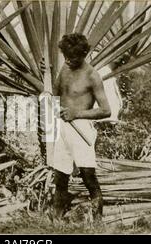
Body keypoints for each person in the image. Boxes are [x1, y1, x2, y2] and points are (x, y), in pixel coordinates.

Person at [51, 33, 111, 221]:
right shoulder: (65, 67)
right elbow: (56, 93)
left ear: (84, 54)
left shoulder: (93, 76)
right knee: (60, 175)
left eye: (73, 57)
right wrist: (47, 74)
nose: (68, 60)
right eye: (66, 56)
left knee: (87, 175)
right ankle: (57, 218)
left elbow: (105, 110)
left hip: (81, 128)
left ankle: (98, 219)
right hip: (64, 128)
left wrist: (76, 114)